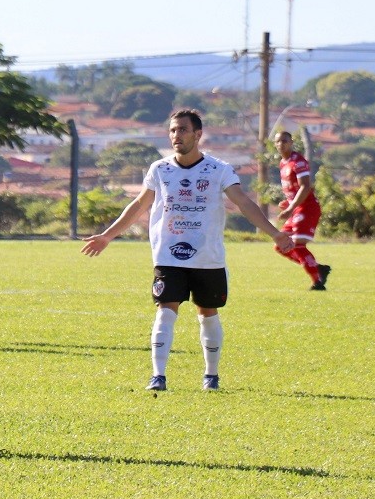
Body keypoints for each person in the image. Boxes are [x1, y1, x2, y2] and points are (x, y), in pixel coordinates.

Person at [81, 109, 294, 392]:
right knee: (165, 310)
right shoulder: (160, 169)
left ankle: (211, 376)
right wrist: (108, 236)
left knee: (208, 312)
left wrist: (275, 234)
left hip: (208, 257)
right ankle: (157, 376)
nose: (176, 135)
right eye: (172, 130)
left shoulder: (219, 170)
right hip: (169, 255)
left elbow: (244, 203)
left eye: (182, 129)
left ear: (198, 134)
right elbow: (139, 205)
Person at [273, 131, 332, 290]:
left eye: (285, 141)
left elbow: (305, 186)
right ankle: (317, 268)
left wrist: (291, 208)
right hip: (296, 208)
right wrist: (288, 202)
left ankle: (317, 282)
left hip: (307, 208)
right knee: (280, 246)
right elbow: (295, 189)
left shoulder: (298, 162)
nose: (281, 144)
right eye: (278, 142)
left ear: (291, 142)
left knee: (298, 245)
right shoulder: (283, 163)